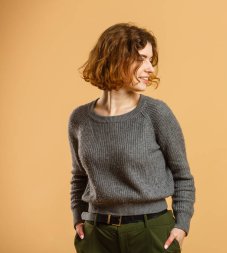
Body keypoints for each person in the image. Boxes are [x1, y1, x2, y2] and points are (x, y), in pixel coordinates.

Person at [67, 22, 196, 253]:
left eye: (151, 60)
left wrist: (181, 226)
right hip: (97, 234)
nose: (150, 69)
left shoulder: (156, 113)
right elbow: (79, 177)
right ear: (116, 59)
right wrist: (79, 217)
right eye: (142, 59)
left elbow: (182, 176)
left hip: (151, 232)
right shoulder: (79, 119)